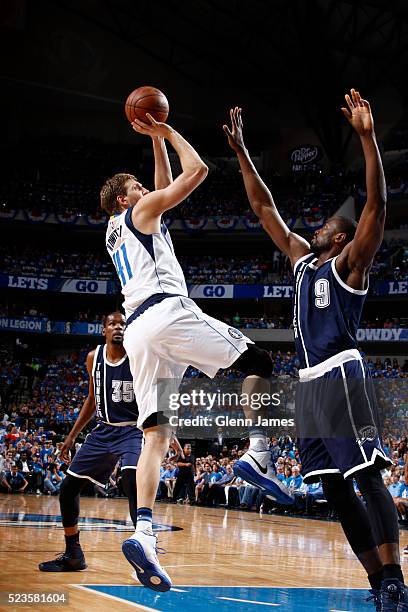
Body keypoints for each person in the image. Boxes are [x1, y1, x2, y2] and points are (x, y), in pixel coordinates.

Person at [224, 89, 407, 609]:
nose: (320, 223)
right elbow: (265, 208)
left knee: (365, 475)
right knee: (331, 488)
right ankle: (378, 581)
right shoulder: (303, 260)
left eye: (331, 223)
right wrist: (241, 152)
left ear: (344, 236)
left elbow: (377, 204)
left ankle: (394, 574)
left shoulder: (351, 265)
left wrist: (367, 140)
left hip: (342, 375)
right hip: (307, 383)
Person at [100, 114, 293, 592]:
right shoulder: (138, 213)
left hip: (138, 330)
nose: (147, 188)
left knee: (155, 435)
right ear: (125, 199)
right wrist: (166, 131)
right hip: (167, 312)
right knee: (258, 362)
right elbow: (199, 171)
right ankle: (258, 454)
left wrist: (154, 145)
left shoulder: (117, 229)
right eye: (138, 186)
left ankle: (143, 531)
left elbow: (163, 184)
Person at [39, 312, 143, 572]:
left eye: (123, 324)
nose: (118, 327)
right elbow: (92, 399)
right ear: (104, 330)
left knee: (131, 481)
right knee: (67, 490)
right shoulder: (93, 358)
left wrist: (165, 429)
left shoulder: (141, 355)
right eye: (113, 324)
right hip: (103, 430)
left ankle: (146, 551)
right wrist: (72, 435)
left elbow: (157, 391)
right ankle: (73, 553)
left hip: (133, 430)